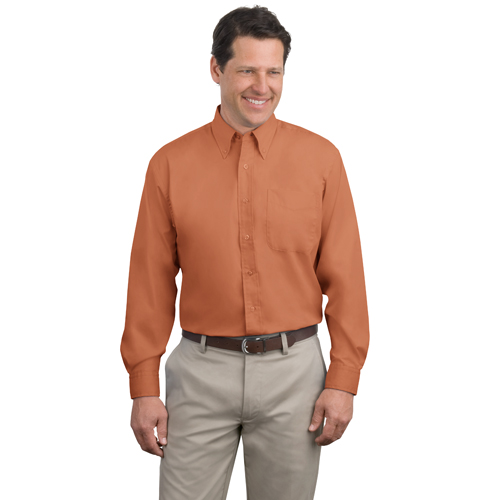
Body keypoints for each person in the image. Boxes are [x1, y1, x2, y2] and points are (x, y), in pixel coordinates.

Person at [120, 5, 370, 500]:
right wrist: (143, 386)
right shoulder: (169, 164)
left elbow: (346, 277)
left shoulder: (321, 160)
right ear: (216, 69)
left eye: (274, 71)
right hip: (200, 372)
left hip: (294, 375)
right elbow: (149, 282)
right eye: (247, 71)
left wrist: (344, 379)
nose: (262, 86)